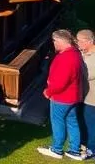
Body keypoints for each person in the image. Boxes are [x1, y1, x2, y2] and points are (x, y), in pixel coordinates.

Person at [40, 29, 84, 159]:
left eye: (54, 41)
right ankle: (74, 151)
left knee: (58, 121)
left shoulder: (66, 58)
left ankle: (57, 149)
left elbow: (61, 82)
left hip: (62, 97)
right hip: (73, 96)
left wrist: (48, 91)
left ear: (60, 41)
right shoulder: (75, 53)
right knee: (72, 122)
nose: (53, 43)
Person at [79, 29, 95, 158]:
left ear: (89, 41)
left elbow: (88, 75)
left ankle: (92, 150)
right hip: (85, 96)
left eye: (80, 41)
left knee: (90, 123)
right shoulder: (86, 53)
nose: (78, 43)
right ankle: (85, 144)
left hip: (92, 98)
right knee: (84, 121)